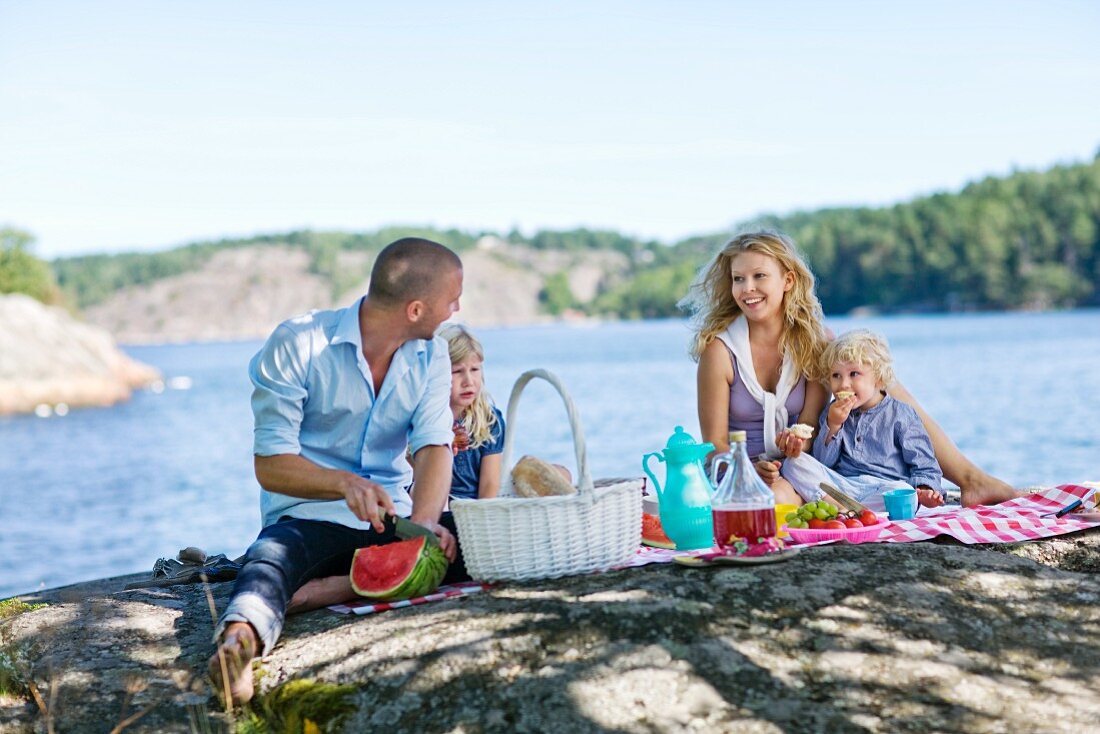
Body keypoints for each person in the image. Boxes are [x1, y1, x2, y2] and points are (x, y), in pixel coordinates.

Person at [208, 237, 465, 706]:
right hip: (311, 519)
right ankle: (239, 642)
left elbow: (433, 445)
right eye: (451, 299)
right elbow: (271, 465)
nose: (456, 308)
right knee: (269, 558)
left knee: (474, 536)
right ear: (414, 309)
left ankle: (327, 591)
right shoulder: (298, 343)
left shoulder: (433, 356)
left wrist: (426, 523)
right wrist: (342, 483)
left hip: (394, 522)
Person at [682, 230, 1019, 509]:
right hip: (742, 473)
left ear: (787, 281)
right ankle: (961, 481)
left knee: (869, 374)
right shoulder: (720, 351)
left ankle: (970, 480)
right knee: (776, 501)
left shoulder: (814, 343)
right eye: (738, 279)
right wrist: (751, 468)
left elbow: (809, 429)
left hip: (801, 466)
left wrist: (797, 442)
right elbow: (713, 448)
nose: (747, 288)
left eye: (759, 276)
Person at [780, 329, 945, 512]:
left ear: (879, 378)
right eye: (836, 375)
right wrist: (833, 426)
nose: (843, 384)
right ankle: (841, 509)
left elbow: (925, 464)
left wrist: (926, 490)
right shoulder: (833, 412)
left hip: (882, 489)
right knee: (793, 463)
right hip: (841, 487)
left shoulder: (901, 414)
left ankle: (850, 511)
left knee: (903, 491)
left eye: (854, 374)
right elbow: (823, 462)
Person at [439, 324, 505, 500]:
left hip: (473, 513)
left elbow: (489, 486)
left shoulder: (490, 420)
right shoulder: (422, 420)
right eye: (457, 371)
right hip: (433, 505)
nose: (469, 381)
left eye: (475, 369)